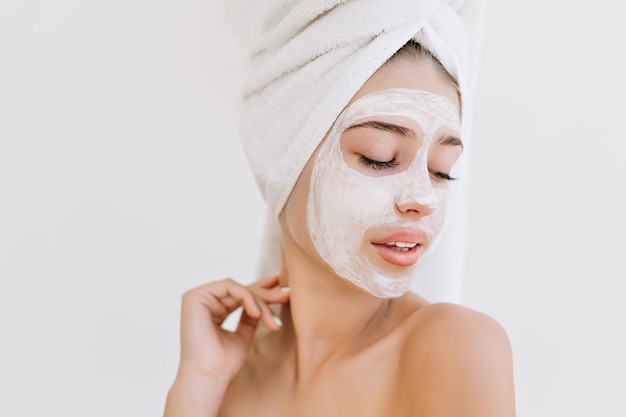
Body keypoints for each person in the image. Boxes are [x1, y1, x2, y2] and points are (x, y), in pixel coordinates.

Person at [164, 2, 516, 416]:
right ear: (282, 154)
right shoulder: (225, 371)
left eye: (442, 171)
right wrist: (199, 385)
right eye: (378, 157)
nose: (423, 198)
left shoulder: (456, 349)